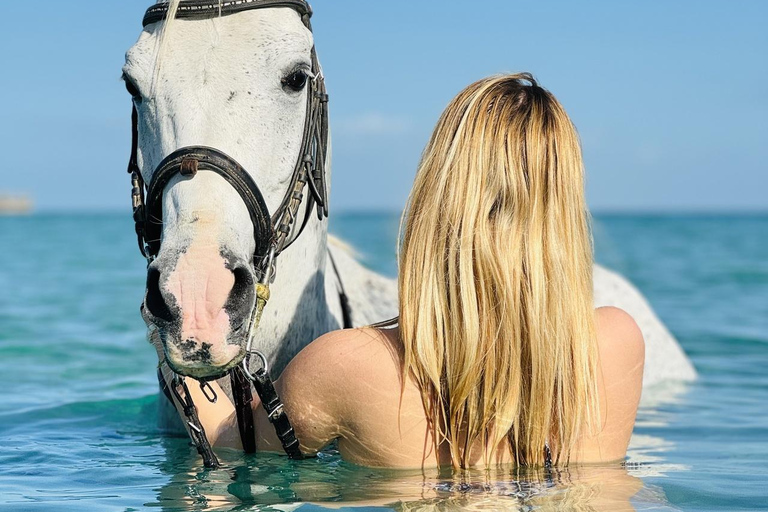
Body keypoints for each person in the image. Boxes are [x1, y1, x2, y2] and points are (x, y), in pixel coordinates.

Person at [165, 73, 645, 469]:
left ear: (435, 200)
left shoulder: (347, 367)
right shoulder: (617, 345)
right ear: (564, 214)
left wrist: (179, 341)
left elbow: (227, 447)